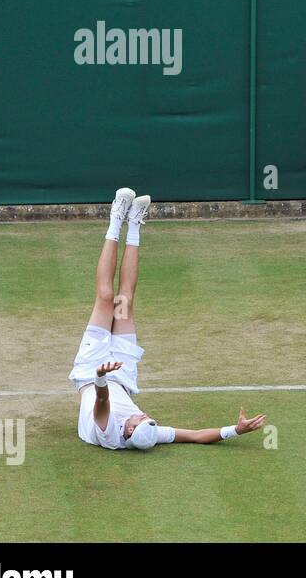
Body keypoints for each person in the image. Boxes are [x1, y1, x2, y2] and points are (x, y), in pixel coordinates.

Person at [71, 187, 268, 451]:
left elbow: (102, 400)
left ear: (128, 431)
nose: (146, 416)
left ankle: (117, 218)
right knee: (125, 301)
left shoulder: (108, 434)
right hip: (123, 372)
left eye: (141, 420)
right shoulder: (148, 432)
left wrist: (101, 375)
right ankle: (135, 225)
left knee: (107, 297)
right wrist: (235, 430)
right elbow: (195, 436)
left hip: (93, 372)